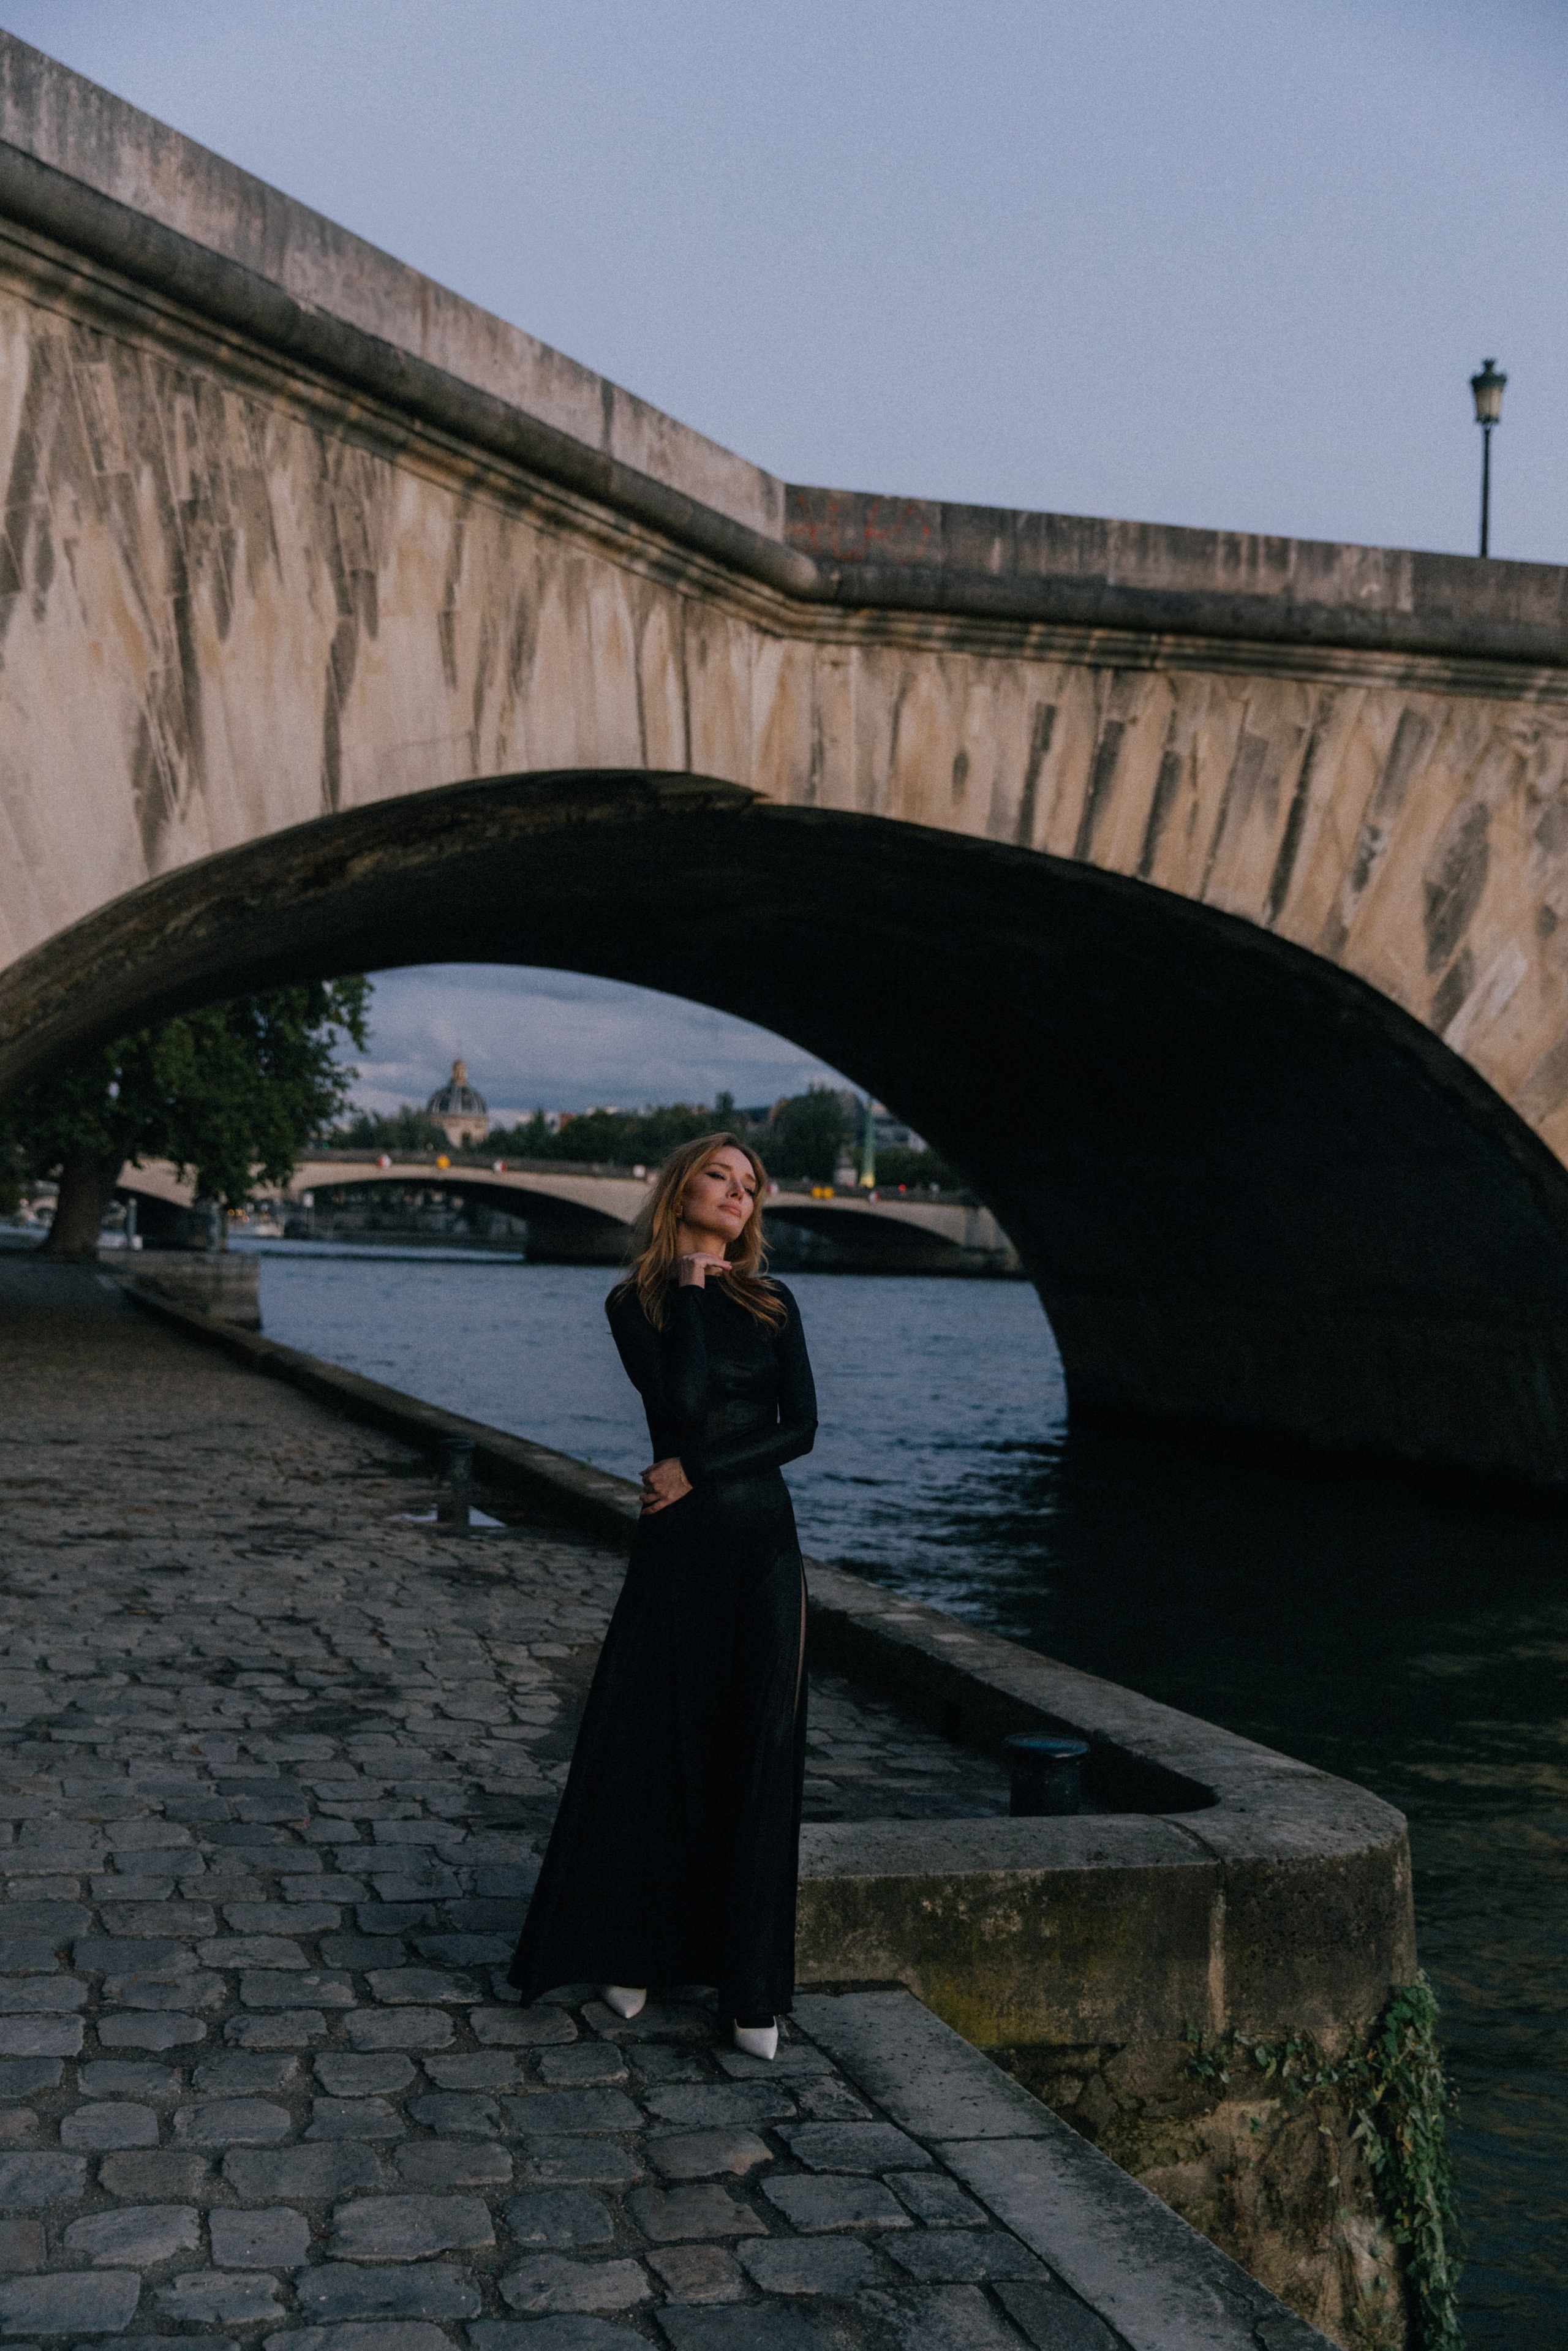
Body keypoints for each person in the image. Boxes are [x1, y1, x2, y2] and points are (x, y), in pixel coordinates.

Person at [507, 1131, 818, 2060]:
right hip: (679, 1555)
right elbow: (681, 1397)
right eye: (722, 1175)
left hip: (764, 1544)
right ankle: (633, 1945)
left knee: (758, 1755)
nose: (739, 1193)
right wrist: (689, 1284)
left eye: (751, 1183)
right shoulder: (635, 1300)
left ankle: (750, 1985)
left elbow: (800, 1428)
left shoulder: (774, 1299)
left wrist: (694, 1469)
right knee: (661, 1744)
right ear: (682, 1185)